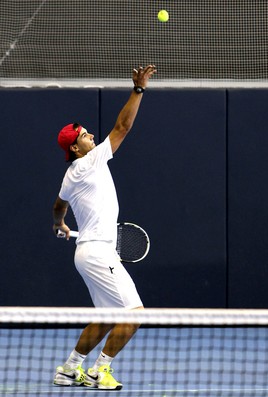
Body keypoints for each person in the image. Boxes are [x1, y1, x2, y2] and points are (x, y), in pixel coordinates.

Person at [52, 65, 156, 390]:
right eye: (84, 136)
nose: (92, 136)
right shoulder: (90, 161)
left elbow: (58, 206)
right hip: (97, 252)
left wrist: (60, 225)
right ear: (75, 148)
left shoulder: (71, 175)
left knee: (109, 315)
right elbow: (123, 127)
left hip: (87, 251)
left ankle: (69, 369)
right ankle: (100, 370)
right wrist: (138, 90)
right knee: (135, 314)